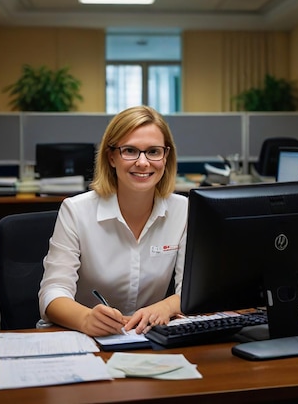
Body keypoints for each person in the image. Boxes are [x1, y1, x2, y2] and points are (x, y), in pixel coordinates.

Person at [38, 105, 187, 337]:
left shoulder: (183, 210)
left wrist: (166, 307)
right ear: (112, 157)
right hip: (87, 338)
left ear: (166, 157)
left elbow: (191, 290)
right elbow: (53, 292)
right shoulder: (76, 211)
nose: (143, 162)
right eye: (129, 150)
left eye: (154, 151)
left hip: (151, 337)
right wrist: (85, 319)